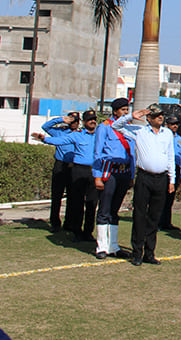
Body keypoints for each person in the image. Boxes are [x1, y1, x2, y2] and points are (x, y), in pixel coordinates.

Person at [113, 104, 176, 266]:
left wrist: (172, 180)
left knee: (154, 217)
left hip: (161, 178)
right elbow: (116, 126)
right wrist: (132, 116)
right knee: (139, 215)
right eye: (156, 115)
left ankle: (150, 253)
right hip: (144, 177)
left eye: (161, 115)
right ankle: (137, 253)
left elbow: (170, 156)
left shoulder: (167, 133)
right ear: (148, 118)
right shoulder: (140, 131)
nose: (160, 117)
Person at [32, 110, 99, 241]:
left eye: (94, 119)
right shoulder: (76, 135)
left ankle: (88, 232)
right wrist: (44, 139)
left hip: (94, 171)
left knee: (92, 204)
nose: (92, 121)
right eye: (89, 119)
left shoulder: (100, 135)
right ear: (84, 122)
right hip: (78, 170)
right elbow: (60, 140)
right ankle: (75, 231)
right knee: (76, 202)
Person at [92, 97, 135, 259]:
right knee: (104, 209)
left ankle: (113, 246)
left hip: (124, 172)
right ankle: (101, 247)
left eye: (127, 110)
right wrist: (97, 176)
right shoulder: (104, 127)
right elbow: (97, 152)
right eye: (123, 110)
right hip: (109, 172)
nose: (126, 112)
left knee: (115, 210)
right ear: (115, 111)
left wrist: (131, 175)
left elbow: (132, 154)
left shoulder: (128, 128)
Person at [41, 112, 79, 233]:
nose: (74, 124)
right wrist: (60, 120)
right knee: (57, 195)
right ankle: (55, 223)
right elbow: (45, 127)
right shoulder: (60, 132)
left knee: (72, 196)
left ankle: (69, 223)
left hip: (74, 166)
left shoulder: (80, 134)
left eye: (76, 121)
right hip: (60, 165)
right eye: (71, 121)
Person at [160, 115, 181, 230]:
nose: (175, 126)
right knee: (161, 197)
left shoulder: (180, 139)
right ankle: (158, 222)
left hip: (176, 169)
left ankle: (167, 222)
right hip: (165, 168)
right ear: (167, 124)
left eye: (176, 124)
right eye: (172, 124)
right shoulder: (162, 136)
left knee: (170, 197)